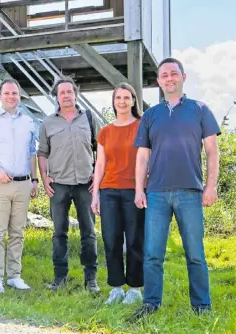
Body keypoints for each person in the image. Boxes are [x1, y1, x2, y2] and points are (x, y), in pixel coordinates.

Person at [130, 58, 220, 320]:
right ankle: (151, 304)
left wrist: (210, 186)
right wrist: (139, 190)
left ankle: (202, 307)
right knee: (152, 254)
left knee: (195, 254)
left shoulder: (200, 110)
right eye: (163, 76)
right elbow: (142, 157)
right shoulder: (150, 115)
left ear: (183, 76)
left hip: (190, 192)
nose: (169, 79)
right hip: (156, 194)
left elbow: (212, 153)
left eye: (173, 74)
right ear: (158, 82)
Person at [0, 79, 39, 293]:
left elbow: (32, 153)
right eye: (7, 93)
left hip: (22, 184)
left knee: (18, 232)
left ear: (19, 96)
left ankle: (14, 275)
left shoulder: (28, 122)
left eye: (15, 93)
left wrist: (34, 180)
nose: (12, 96)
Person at [38, 76, 100, 293]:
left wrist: (97, 176)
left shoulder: (89, 119)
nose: (66, 96)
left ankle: (91, 279)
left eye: (69, 92)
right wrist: (44, 177)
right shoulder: (47, 123)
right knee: (59, 233)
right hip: (59, 185)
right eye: (62, 92)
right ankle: (60, 277)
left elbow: (99, 149)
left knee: (89, 232)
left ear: (76, 94)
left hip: (86, 184)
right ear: (56, 97)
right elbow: (43, 153)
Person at [90, 83, 144, 305]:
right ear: (113, 102)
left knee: (134, 240)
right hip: (108, 191)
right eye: (118, 98)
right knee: (111, 240)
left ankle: (134, 288)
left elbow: (145, 159)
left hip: (134, 190)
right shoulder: (105, 132)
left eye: (126, 97)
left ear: (133, 101)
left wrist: (141, 190)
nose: (122, 101)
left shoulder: (142, 126)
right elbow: (100, 164)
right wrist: (95, 196)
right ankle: (116, 288)